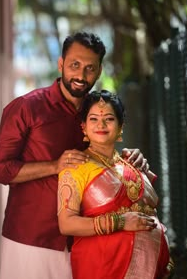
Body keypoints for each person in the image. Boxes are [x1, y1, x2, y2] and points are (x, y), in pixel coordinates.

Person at [0, 32, 149, 279]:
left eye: (90, 68)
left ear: (98, 71)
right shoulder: (26, 107)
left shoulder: (94, 111)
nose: (81, 76)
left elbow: (101, 156)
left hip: (87, 239)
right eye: (74, 65)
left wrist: (128, 159)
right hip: (32, 239)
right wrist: (55, 165)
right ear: (61, 63)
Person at [58, 90, 174, 279]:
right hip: (101, 266)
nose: (101, 125)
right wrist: (120, 222)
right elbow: (66, 224)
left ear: (121, 126)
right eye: (93, 119)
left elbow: (151, 207)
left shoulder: (131, 162)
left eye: (109, 119)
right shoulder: (76, 166)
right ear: (83, 127)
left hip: (152, 266)